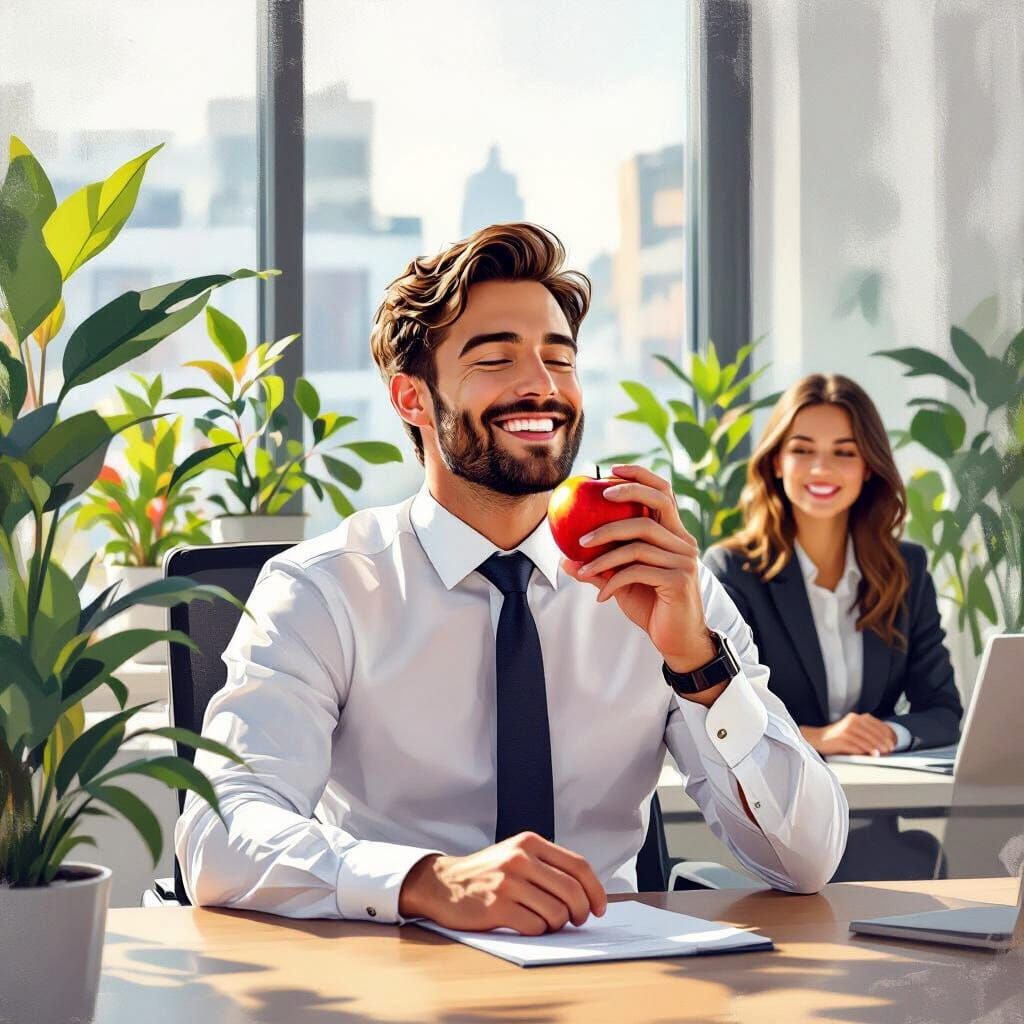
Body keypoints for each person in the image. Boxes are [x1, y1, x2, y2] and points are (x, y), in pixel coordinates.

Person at [175, 224, 848, 932]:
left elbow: (805, 861)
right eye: (496, 360)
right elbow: (218, 837)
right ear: (411, 399)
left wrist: (700, 666)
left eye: (560, 360)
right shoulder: (324, 590)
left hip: (619, 980)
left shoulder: (663, 583)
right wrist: (428, 881)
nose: (542, 386)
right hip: (401, 976)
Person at [703, 374, 962, 880]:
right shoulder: (733, 571)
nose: (822, 468)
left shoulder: (905, 569)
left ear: (869, 468)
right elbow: (722, 719)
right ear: (777, 462)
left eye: (844, 452)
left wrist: (887, 732)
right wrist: (820, 737)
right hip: (775, 838)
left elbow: (944, 711)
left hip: (876, 832)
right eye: (803, 450)